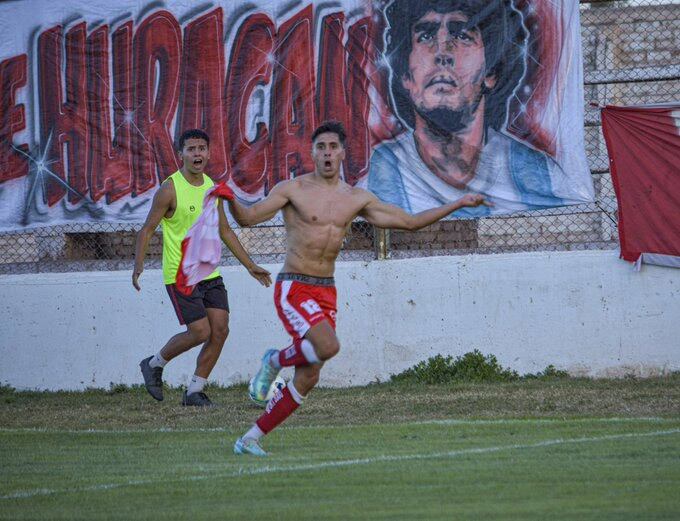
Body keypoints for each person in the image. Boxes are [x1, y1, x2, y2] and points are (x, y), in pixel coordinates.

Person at [228, 120, 490, 455]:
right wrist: (229, 198)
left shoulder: (356, 198)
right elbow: (249, 218)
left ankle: (249, 438)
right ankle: (274, 360)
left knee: (308, 378)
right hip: (294, 286)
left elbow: (409, 223)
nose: (326, 153)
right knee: (328, 345)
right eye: (320, 147)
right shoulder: (292, 189)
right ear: (311, 152)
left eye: (332, 147)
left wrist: (459, 204)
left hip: (327, 290)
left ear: (342, 153)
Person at [367, 0, 569, 217]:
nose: (442, 52)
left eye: (462, 36)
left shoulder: (530, 171)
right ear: (405, 75)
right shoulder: (386, 168)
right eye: (425, 36)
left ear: (490, 72)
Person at [133, 128, 272, 406]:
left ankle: (194, 391)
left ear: (209, 153)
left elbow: (225, 231)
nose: (197, 154)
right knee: (200, 332)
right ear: (181, 154)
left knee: (220, 329)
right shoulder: (169, 189)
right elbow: (147, 229)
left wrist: (250, 265)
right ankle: (154, 363)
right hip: (181, 275)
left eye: (201, 148)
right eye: (191, 149)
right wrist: (138, 266)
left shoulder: (212, 188)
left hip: (210, 273)